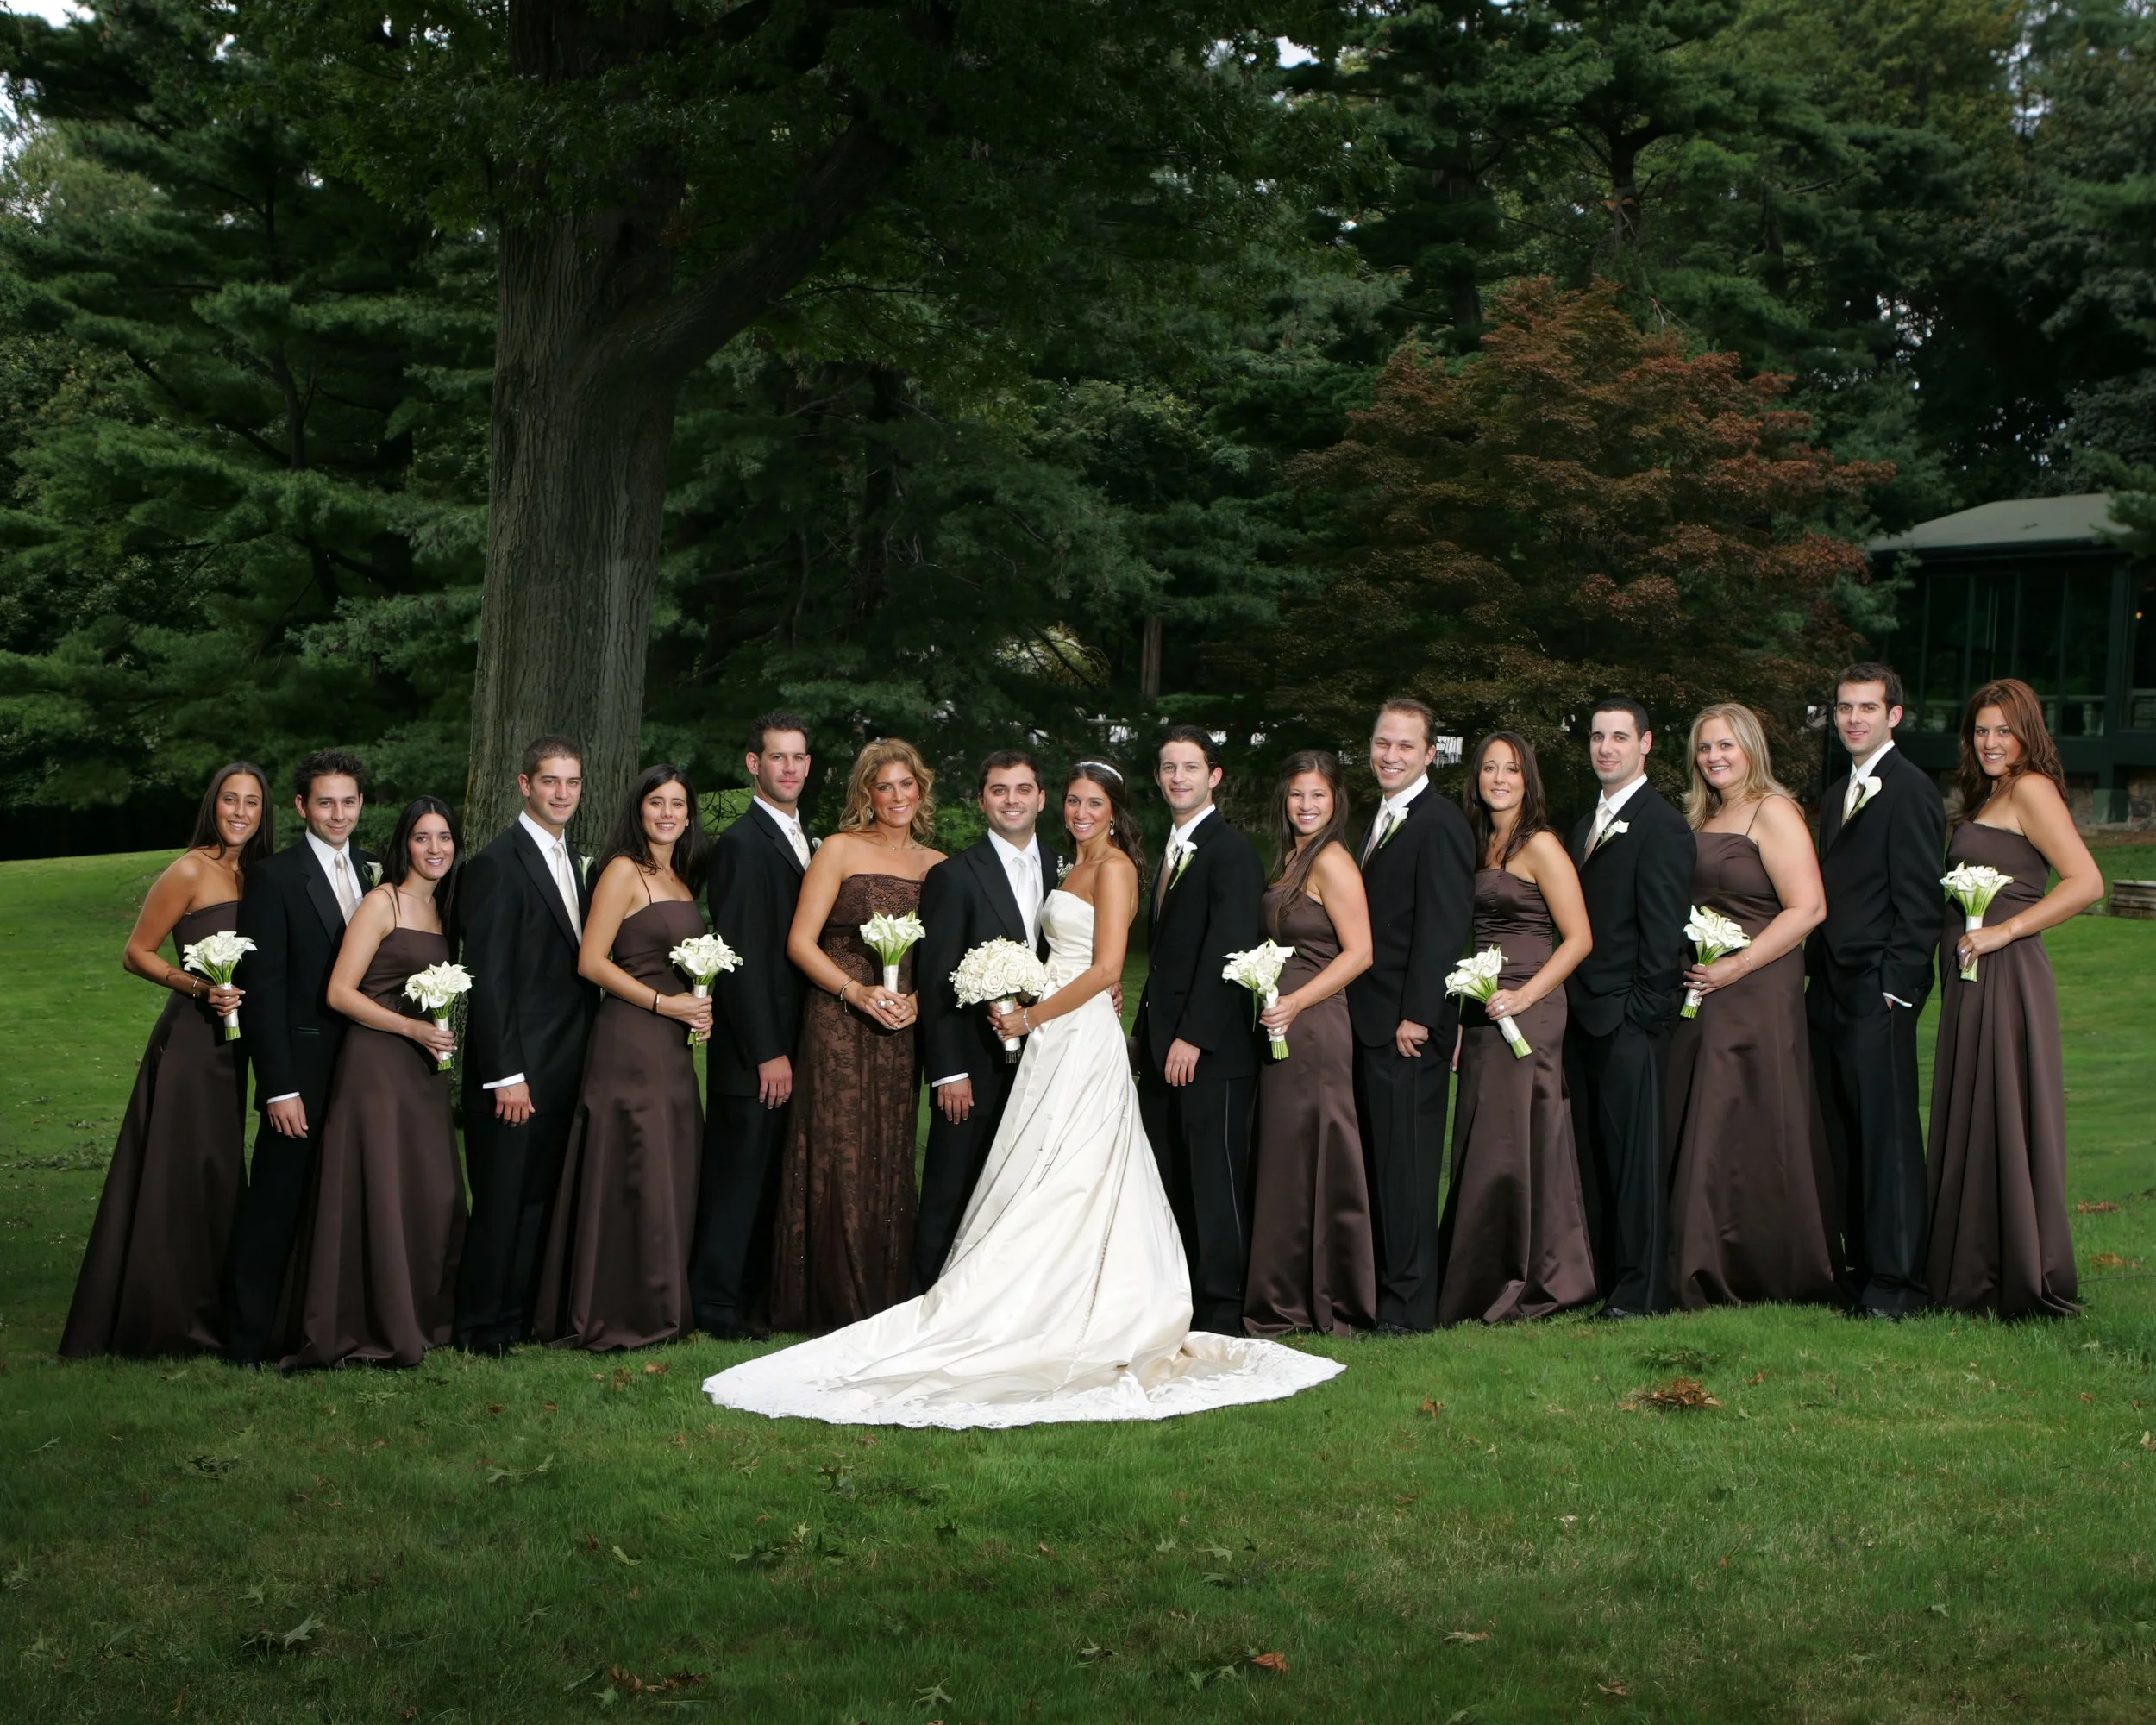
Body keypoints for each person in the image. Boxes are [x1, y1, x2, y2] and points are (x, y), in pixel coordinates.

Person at [700, 763, 1342, 1427]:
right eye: (1072, 801)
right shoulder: (1043, 869)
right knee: (1032, 1168)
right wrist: (979, 1046)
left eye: (1092, 802)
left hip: (1071, 1037)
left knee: (1079, 1168)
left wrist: (1034, 1016)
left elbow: (1106, 967)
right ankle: (1009, 1295)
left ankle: (1084, 1303)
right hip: (1036, 1043)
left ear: (1114, 810)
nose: (1079, 811)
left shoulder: (1113, 867)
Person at [60, 763, 270, 1359]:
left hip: (234, 1051)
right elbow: (135, 953)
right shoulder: (190, 868)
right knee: (179, 1174)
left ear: (264, 812)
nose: (239, 811)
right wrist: (200, 988)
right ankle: (162, 1317)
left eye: (252, 802)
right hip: (189, 1045)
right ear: (214, 804)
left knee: (219, 1174)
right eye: (230, 799)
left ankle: (214, 1307)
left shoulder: (255, 873)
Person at [1926, 678, 2103, 1317]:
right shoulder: (1990, 790)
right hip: (1971, 975)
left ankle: (2008, 1270)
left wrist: (2003, 930)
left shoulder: (2030, 789)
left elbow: (2086, 882)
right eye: (1981, 730)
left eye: (2005, 730)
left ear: (2028, 734)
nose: (1992, 742)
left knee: (2002, 1106)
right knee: (1973, 1104)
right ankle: (1967, 1265)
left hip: (2008, 974)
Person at [1664, 706, 1839, 1309]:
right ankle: (1702, 1258)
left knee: (1755, 1116)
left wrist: (1738, 966)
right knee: (1709, 1114)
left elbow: (1808, 908)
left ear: (1751, 750)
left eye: (1727, 747)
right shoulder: (1702, 815)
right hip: (1705, 984)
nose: (1714, 757)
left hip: (1758, 985)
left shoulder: (1774, 811)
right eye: (1705, 747)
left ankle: (1763, 1265)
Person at [533, 766, 714, 1351]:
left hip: (672, 1046)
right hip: (632, 1038)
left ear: (689, 815)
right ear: (638, 811)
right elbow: (592, 961)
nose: (666, 812)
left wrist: (699, 1005)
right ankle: (618, 1308)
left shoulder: (681, 877)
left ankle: (660, 1300)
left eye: (677, 803)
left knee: (668, 1166)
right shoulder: (622, 871)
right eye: (655, 802)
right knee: (633, 1165)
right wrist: (667, 1003)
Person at [284, 798, 467, 1368]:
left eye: (443, 838)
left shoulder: (443, 911)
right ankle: (365, 1321)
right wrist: (411, 1027)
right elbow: (340, 992)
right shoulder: (381, 902)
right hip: (376, 1067)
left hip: (421, 1072)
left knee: (429, 1192)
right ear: (403, 845)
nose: (434, 848)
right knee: (380, 1189)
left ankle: (422, 1314)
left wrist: (429, 1033)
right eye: (422, 838)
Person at [773, 739, 945, 1332]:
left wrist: (917, 1002)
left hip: (902, 1027)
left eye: (907, 784)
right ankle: (828, 1297)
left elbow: (944, 956)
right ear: (866, 793)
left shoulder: (939, 865)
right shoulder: (840, 850)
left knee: (890, 1148)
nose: (897, 797)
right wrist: (856, 993)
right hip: (840, 1021)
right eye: (884, 786)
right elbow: (800, 942)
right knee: (840, 1149)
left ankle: (885, 1293)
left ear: (919, 789)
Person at [1434, 733, 1596, 1326]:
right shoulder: (1482, 843)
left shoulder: (1542, 845)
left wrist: (1524, 996)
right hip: (1482, 1009)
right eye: (1489, 768)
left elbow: (1579, 938)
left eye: (1511, 770)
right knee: (1483, 1138)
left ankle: (1539, 1275)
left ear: (1529, 779)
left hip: (1532, 1005)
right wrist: (1464, 1018)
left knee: (1524, 1138)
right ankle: (1478, 1271)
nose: (1498, 778)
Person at [225, 750, 374, 1367]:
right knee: (277, 1200)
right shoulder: (276, 877)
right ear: (301, 806)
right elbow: (263, 990)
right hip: (302, 1070)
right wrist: (279, 1087)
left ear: (361, 805)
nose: (337, 813)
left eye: (348, 801)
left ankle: (321, 1323)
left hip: (363, 1066)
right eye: (325, 802)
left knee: (336, 1197)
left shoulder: (371, 872)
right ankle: (246, 1341)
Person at [1807, 662, 1946, 1319]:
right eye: (1844, 708)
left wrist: (1897, 988)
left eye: (1867, 707)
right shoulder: (1836, 794)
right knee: (1848, 1137)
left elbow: (1921, 902)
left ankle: (1900, 1285)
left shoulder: (1912, 791)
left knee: (1888, 1140)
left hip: (1878, 992)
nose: (1853, 718)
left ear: (1894, 714)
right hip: (1831, 991)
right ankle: (1863, 1272)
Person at [454, 737, 596, 1355]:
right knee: (502, 1202)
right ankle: (478, 1327)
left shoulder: (572, 862)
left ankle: (516, 1318)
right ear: (523, 785)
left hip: (565, 1064)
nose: (561, 793)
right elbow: (488, 981)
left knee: (537, 1198)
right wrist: (504, 1074)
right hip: (514, 1073)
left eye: (571, 783)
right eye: (550, 782)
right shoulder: (495, 865)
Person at [1131, 726, 1268, 1336]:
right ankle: (1183, 1295)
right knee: (1174, 1177)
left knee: (1217, 1182)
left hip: (1211, 1050)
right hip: (1163, 1046)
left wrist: (1194, 1037)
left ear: (1214, 776)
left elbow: (1229, 950)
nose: (1178, 777)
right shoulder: (1171, 849)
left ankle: (1224, 1307)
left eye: (1191, 767)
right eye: (1169, 767)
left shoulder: (1230, 851)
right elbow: (1163, 958)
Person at [913, 749, 1064, 1295]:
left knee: (1026, 1180)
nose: (1012, 800)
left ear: (1041, 799)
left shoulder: (1069, 870)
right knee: (955, 1178)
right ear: (982, 801)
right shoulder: (954, 875)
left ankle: (1008, 1295)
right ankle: (927, 1292)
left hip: (1050, 1051)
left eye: (1023, 789)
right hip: (972, 1060)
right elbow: (934, 980)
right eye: (999, 790)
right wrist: (947, 1071)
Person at [1348, 699, 1476, 1334]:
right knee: (1383, 1162)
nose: (1390, 756)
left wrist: (1420, 1017)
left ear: (1431, 754)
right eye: (1382, 743)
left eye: (1404, 746)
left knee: (1408, 1168)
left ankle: (1409, 1308)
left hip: (1406, 1026)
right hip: (1370, 1019)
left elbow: (1444, 926)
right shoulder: (1380, 817)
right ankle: (1384, 1294)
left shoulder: (1441, 823)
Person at [1243, 750, 1377, 1338]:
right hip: (1283, 1022)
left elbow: (1361, 952)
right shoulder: (1295, 857)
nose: (1305, 805)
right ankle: (1283, 1292)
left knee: (1317, 1155)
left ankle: (1328, 1293)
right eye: (1297, 794)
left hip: (1316, 1024)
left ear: (1336, 801)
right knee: (1286, 1159)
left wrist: (1297, 1002)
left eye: (1317, 795)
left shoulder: (1334, 861)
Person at [1564, 699, 1691, 1319]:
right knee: (1597, 1155)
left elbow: (1665, 933)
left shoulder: (1661, 825)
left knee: (1636, 1161)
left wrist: (1640, 1014)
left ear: (1646, 744)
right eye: (1597, 737)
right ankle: (1606, 1278)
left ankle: (1641, 1294)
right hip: (1581, 1017)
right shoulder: (1584, 819)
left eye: (1619, 737)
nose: (1605, 747)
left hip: (1627, 1022)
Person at [690, 713, 814, 1341]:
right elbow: (738, 955)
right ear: (752, 765)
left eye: (797, 757)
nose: (788, 767)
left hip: (794, 1041)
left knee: (769, 1177)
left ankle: (755, 1296)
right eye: (777, 757)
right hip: (754, 1052)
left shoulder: (801, 837)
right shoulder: (739, 842)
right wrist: (767, 1051)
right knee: (738, 1179)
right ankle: (715, 1305)